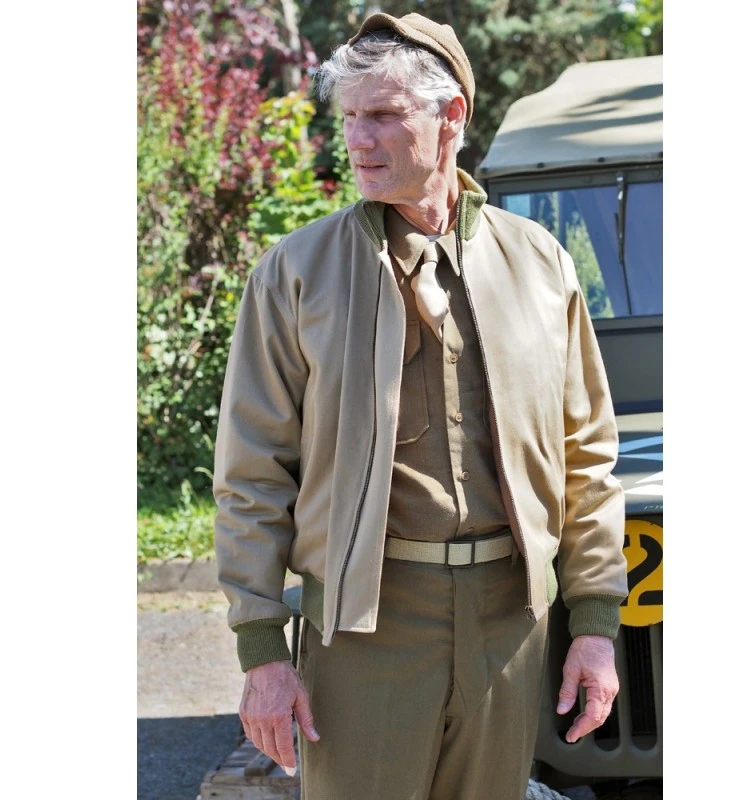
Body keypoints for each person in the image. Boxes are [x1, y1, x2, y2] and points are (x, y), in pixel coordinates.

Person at [213, 11, 629, 800]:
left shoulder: (540, 263)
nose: (357, 140)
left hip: (511, 622)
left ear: (451, 117)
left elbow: (587, 456)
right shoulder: (296, 272)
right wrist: (262, 647)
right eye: (349, 117)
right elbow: (251, 471)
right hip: (366, 628)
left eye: (383, 115)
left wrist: (596, 624)